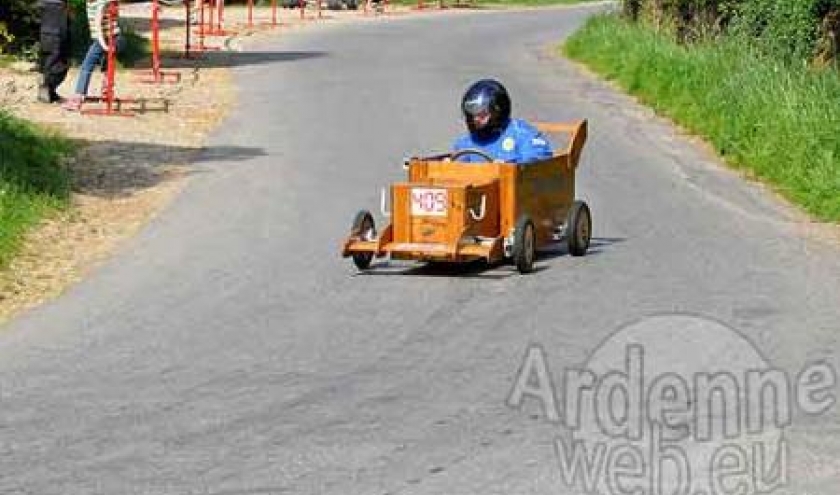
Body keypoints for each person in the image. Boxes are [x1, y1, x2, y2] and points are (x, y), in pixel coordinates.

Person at [452, 79, 554, 164]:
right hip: (479, 187)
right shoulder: (467, 142)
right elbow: (459, 168)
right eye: (472, 115)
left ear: (498, 111)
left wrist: (509, 167)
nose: (476, 119)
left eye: (482, 114)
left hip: (513, 186)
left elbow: (540, 157)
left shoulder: (520, 133)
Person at [62, 0, 123, 111]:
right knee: (106, 63)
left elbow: (98, 27)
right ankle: (107, 89)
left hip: (105, 38)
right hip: (115, 37)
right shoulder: (94, 2)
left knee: (86, 66)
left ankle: (78, 98)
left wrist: (104, 45)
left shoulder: (100, 4)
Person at [38, 0, 71, 104]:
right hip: (56, 34)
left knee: (48, 62)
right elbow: (63, 29)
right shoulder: (59, 6)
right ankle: (47, 88)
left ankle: (48, 90)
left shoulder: (43, 4)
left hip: (45, 34)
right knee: (60, 64)